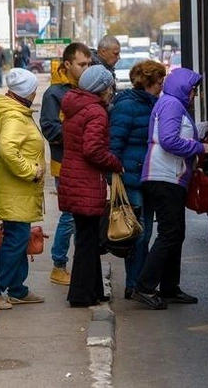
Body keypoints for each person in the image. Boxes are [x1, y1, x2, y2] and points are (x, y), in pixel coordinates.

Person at [131, 68, 208, 310]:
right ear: (184, 88)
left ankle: (169, 287)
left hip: (169, 177)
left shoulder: (170, 103)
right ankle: (144, 287)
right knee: (169, 234)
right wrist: (199, 148)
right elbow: (168, 140)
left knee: (176, 233)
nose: (195, 94)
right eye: (194, 89)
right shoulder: (172, 104)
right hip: (164, 177)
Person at [58, 65, 123, 307]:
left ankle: (93, 290)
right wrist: (115, 163)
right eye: (109, 85)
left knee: (88, 238)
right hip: (86, 181)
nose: (111, 90)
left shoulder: (74, 104)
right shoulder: (95, 111)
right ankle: (81, 295)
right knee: (87, 241)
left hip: (74, 178)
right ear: (101, 87)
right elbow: (93, 149)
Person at [109, 60, 167, 299]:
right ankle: (134, 283)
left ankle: (141, 282)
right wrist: (113, 177)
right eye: (160, 81)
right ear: (150, 82)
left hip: (149, 176)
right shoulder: (128, 106)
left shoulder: (154, 103)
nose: (162, 85)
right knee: (137, 233)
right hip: (132, 178)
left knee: (146, 231)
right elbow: (115, 145)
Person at [39, 42, 92, 286]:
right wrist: (81, 133)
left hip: (85, 160)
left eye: (89, 64)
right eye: (82, 64)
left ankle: (79, 265)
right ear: (67, 64)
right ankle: (58, 264)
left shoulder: (87, 86)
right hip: (65, 162)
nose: (87, 68)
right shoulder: (54, 93)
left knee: (81, 215)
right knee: (70, 215)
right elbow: (50, 128)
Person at [0, 68, 46, 310]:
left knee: (19, 237)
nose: (36, 92)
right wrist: (30, 170)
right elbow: (7, 148)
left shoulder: (16, 111)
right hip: (16, 188)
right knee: (16, 238)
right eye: (34, 89)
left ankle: (17, 289)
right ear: (27, 92)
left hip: (16, 189)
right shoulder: (15, 117)